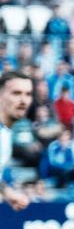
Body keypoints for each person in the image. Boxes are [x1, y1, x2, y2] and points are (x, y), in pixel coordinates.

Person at [0, 71, 33, 210]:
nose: (23, 100)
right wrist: (8, 192)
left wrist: (6, 193)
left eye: (28, 94)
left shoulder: (5, 133)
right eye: (16, 93)